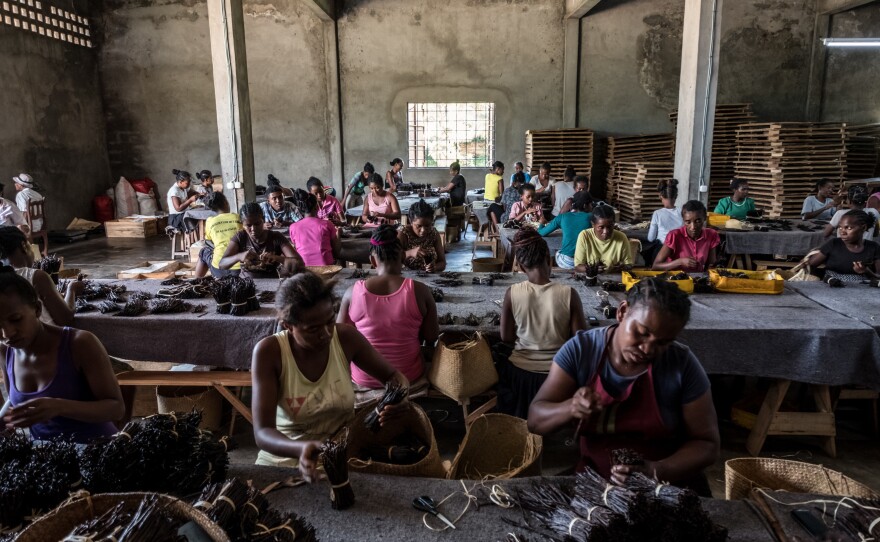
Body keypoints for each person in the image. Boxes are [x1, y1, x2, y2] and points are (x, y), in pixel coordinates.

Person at [528, 278, 719, 494]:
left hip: (666, 485)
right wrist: (570, 407)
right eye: (642, 332)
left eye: (662, 342)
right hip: (596, 480)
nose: (647, 348)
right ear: (622, 311)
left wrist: (656, 471)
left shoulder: (682, 364)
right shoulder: (581, 351)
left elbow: (707, 445)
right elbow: (535, 421)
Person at [251, 271, 409, 475]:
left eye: (330, 321)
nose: (326, 334)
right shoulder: (269, 353)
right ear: (288, 326)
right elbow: (263, 433)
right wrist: (301, 449)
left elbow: (394, 376)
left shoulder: (345, 338)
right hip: (285, 462)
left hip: (341, 456)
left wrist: (400, 395)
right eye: (313, 329)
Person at [1, 268, 125, 443]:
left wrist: (59, 406)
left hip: (98, 451)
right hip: (49, 459)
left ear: (37, 309)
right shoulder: (6, 351)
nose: (7, 333)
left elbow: (116, 409)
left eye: (16, 319)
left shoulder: (79, 343)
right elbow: (14, 403)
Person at [338, 225, 439, 404]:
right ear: (402, 256)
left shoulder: (352, 292)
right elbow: (431, 337)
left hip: (365, 378)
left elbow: (339, 339)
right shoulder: (420, 291)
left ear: (373, 261)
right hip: (408, 375)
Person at [499, 229, 585, 418]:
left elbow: (505, 337)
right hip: (558, 375)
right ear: (549, 256)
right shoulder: (569, 293)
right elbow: (580, 341)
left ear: (521, 266)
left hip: (520, 375)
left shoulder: (512, 292)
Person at [0, 226, 83, 326]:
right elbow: (66, 318)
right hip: (47, 341)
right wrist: (72, 289)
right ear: (24, 246)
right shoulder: (36, 277)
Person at [219, 203, 304, 279]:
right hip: (247, 284)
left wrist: (276, 258)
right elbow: (222, 264)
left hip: (271, 283)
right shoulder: (240, 237)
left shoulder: (276, 237)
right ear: (242, 224)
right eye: (248, 225)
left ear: (263, 220)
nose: (253, 229)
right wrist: (239, 256)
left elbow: (299, 263)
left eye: (257, 224)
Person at [808, 210, 880, 282]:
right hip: (831, 287)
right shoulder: (834, 244)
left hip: (864, 290)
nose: (842, 232)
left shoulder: (873, 247)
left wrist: (866, 271)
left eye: (848, 228)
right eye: (840, 227)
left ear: (863, 228)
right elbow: (809, 266)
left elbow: (878, 276)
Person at [653, 200, 720, 273]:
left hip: (698, 279)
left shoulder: (711, 235)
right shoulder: (674, 236)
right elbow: (656, 266)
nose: (693, 227)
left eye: (698, 221)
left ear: (704, 218)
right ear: (683, 220)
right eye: (688, 222)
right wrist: (680, 261)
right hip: (675, 280)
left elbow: (711, 264)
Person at [539, 191, 593, 269]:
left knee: (558, 253)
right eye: (591, 204)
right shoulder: (592, 217)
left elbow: (541, 233)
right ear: (585, 205)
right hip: (587, 262)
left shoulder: (562, 217)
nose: (592, 206)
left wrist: (542, 223)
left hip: (567, 262)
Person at [195, 192, 243, 278]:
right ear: (226, 202)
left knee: (204, 251)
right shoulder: (238, 217)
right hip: (240, 270)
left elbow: (209, 241)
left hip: (219, 270)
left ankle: (197, 281)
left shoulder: (210, 221)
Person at [288, 190, 341, 267]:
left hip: (304, 267)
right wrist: (338, 233)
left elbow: (297, 247)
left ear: (300, 209)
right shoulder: (327, 224)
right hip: (326, 268)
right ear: (317, 207)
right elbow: (336, 252)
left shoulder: (293, 227)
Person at [574, 205, 633, 273]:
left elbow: (629, 264)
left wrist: (623, 267)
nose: (606, 231)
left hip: (614, 277)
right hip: (592, 277)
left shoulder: (621, 237)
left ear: (614, 224)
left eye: (609, 227)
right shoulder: (585, 236)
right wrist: (592, 269)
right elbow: (578, 267)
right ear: (593, 225)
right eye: (601, 227)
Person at [398, 199, 446, 273]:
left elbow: (442, 262)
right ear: (410, 221)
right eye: (418, 226)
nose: (423, 230)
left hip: (430, 276)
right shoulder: (403, 234)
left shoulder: (434, 233)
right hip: (408, 277)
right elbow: (392, 260)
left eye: (427, 226)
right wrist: (410, 253)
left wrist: (435, 267)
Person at [647, 179, 683, 244]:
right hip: (680, 247)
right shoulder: (683, 212)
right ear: (676, 196)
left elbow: (651, 238)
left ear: (661, 197)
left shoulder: (657, 214)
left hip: (662, 249)